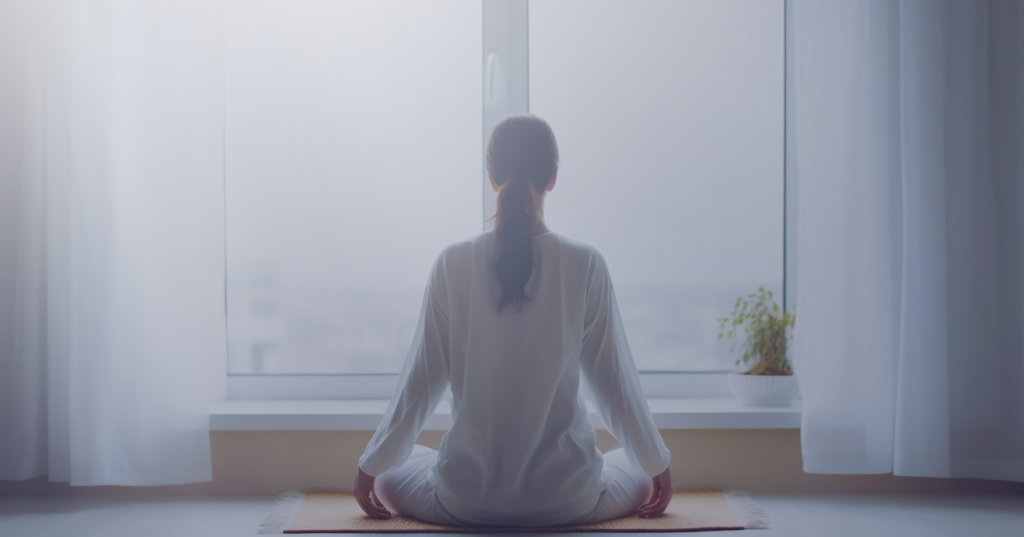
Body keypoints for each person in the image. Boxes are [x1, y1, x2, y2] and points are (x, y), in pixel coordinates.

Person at [353, 113, 672, 527]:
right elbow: (616, 387)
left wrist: (370, 466)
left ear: (491, 177)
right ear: (553, 177)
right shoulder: (586, 264)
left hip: (465, 501)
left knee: (392, 471)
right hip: (569, 501)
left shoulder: (452, 262)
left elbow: (420, 383)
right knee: (629, 465)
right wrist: (657, 463)